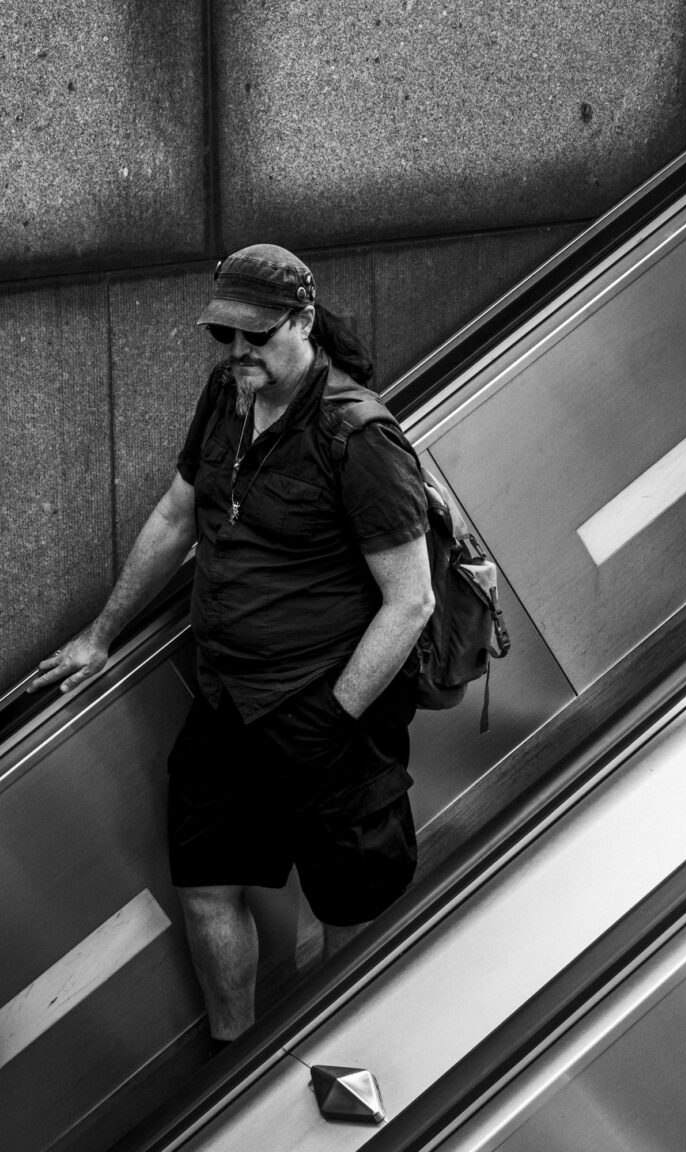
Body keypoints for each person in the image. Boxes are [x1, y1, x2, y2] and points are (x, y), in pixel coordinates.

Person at [29, 243, 434, 1050]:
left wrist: (333, 717)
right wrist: (99, 637)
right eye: (226, 335)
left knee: (350, 899)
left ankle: (342, 1059)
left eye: (257, 336)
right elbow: (177, 514)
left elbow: (411, 599)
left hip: (324, 714)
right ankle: (236, 1067)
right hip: (226, 702)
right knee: (207, 882)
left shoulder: (357, 435)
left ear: (304, 321)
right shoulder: (227, 395)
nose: (239, 352)